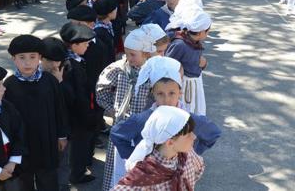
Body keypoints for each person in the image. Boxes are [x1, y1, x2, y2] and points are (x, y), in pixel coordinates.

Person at [96, 27, 161, 190]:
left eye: (133, 54)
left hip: (143, 128)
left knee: (140, 163)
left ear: (146, 53)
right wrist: (112, 108)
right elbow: (101, 88)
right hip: (122, 123)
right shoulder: (119, 68)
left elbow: (160, 96)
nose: (129, 58)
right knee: (117, 162)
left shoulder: (154, 72)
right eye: (127, 53)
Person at [4, 35, 68, 191]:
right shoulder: (9, 85)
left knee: (48, 179)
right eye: (22, 57)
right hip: (22, 143)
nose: (27, 62)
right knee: (24, 181)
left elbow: (59, 109)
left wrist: (62, 135)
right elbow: (7, 119)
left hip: (47, 139)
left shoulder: (49, 81)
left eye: (32, 57)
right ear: (14, 59)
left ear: (40, 57)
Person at [112, 106, 204, 190]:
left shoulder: (188, 155)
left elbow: (199, 169)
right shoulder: (143, 177)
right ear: (170, 142)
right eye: (188, 135)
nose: (194, 137)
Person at [59, 22, 99, 184]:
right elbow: (76, 94)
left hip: (78, 113)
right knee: (78, 146)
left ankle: (77, 171)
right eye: (85, 43)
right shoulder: (70, 66)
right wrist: (87, 115)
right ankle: (77, 174)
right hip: (78, 115)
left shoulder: (73, 59)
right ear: (74, 45)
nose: (88, 46)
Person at [165, 0, 212, 115]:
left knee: (196, 109)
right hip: (184, 86)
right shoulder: (179, 44)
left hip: (194, 82)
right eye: (208, 31)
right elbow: (169, 64)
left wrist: (202, 63)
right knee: (185, 112)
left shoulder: (193, 41)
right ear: (201, 32)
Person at [41, 37, 70, 191]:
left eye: (57, 61)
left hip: (61, 131)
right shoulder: (36, 75)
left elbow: (69, 104)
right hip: (42, 133)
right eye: (49, 60)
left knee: (62, 164)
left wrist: (60, 84)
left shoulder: (66, 72)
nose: (54, 65)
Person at [93, 0, 118, 65]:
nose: (116, 10)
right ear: (109, 13)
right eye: (115, 9)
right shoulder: (100, 32)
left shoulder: (108, 24)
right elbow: (104, 56)